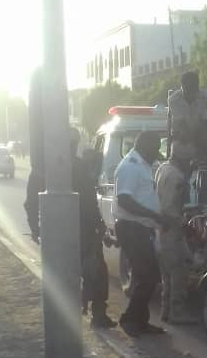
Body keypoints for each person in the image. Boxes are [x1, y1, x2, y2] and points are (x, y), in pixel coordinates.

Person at [24, 128, 116, 328]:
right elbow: (31, 202)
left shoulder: (79, 167)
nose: (72, 148)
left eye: (74, 144)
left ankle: (97, 313)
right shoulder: (42, 169)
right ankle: (71, 316)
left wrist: (100, 225)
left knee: (96, 272)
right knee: (68, 275)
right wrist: (36, 228)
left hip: (84, 230)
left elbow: (91, 200)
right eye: (70, 144)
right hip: (59, 232)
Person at [115, 131, 174, 337]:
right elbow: (124, 200)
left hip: (140, 228)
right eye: (155, 147)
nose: (157, 152)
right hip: (131, 228)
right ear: (144, 145)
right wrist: (155, 216)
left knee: (146, 276)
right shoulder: (130, 166)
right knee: (148, 276)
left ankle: (140, 322)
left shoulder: (143, 165)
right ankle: (130, 319)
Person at [155, 141, 197, 325]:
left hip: (162, 229)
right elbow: (170, 208)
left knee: (167, 272)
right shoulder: (177, 177)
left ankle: (166, 311)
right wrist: (183, 223)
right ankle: (176, 313)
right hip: (172, 228)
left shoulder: (163, 169)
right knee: (179, 270)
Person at [167, 70, 207, 160]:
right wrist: (192, 147)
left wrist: (205, 148)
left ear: (197, 87)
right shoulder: (173, 100)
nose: (190, 94)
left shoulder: (205, 97)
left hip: (200, 136)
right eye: (187, 90)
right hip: (181, 139)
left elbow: (205, 123)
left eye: (193, 90)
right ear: (182, 86)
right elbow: (182, 126)